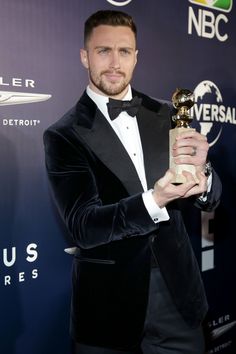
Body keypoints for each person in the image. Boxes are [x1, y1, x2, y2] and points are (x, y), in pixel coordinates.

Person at [43, 10, 222, 354]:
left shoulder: (166, 114)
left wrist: (206, 177)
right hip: (108, 305)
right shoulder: (63, 135)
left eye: (124, 51)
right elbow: (83, 225)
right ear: (85, 56)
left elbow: (211, 199)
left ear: (136, 57)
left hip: (177, 297)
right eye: (103, 51)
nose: (114, 62)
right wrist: (154, 200)